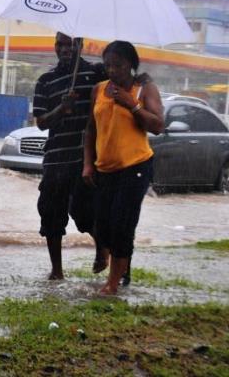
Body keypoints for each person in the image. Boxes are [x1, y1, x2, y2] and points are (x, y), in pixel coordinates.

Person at [83, 40, 164, 295]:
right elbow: (91, 130)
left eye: (117, 65)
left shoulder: (144, 89)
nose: (111, 70)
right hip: (105, 168)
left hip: (135, 166)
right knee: (102, 225)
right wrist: (88, 164)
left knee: (122, 224)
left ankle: (113, 283)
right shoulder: (99, 89)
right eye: (107, 65)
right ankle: (109, 259)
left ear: (130, 64)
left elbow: (158, 125)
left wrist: (132, 103)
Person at [33, 32, 107, 280]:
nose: (64, 49)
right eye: (59, 44)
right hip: (55, 158)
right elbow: (41, 122)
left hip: (86, 157)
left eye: (69, 44)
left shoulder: (96, 75)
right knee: (51, 213)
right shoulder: (46, 80)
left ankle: (102, 249)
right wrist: (61, 109)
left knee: (85, 212)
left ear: (81, 45)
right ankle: (57, 270)